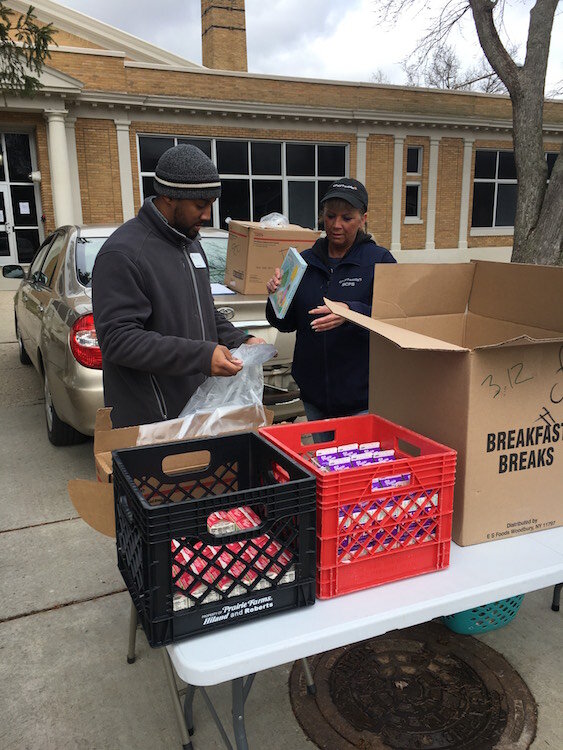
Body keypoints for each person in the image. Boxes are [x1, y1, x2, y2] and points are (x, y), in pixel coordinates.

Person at [92, 144, 263, 428]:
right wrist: (202, 355)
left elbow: (203, 312)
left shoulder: (191, 244)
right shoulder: (123, 254)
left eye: (211, 204)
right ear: (169, 197)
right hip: (151, 422)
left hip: (197, 410)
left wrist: (239, 340)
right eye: (200, 205)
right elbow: (118, 341)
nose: (208, 215)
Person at [266, 177, 396, 427]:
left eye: (347, 218)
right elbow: (284, 323)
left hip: (361, 400)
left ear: (363, 218)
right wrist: (275, 297)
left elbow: (395, 320)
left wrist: (351, 313)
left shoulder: (380, 261)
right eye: (330, 216)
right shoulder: (303, 262)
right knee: (320, 465)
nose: (336, 225)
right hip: (314, 398)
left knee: (353, 466)